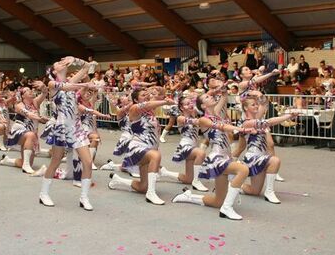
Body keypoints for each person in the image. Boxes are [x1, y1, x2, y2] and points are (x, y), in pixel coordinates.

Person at [171, 89, 255, 220]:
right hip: (217, 157)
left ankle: (189, 197)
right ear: (203, 106)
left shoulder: (216, 114)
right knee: (243, 170)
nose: (211, 97)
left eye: (210, 96)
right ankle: (227, 208)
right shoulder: (204, 120)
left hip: (226, 156)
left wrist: (223, 91)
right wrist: (241, 129)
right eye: (207, 97)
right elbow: (222, 127)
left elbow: (223, 98)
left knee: (217, 201)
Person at [39, 57, 96, 211]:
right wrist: (85, 84)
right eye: (57, 63)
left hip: (76, 127)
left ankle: (84, 197)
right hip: (62, 127)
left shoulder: (72, 80)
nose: (61, 63)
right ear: (54, 71)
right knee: (56, 161)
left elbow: (87, 67)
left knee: (88, 162)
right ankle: (44, 193)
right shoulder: (52, 84)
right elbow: (66, 87)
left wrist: (75, 59)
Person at [107, 86, 174, 205]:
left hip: (149, 148)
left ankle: (119, 181)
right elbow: (148, 104)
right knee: (155, 156)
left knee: (142, 187)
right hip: (137, 147)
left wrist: (159, 90)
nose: (147, 96)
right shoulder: (134, 108)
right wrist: (164, 101)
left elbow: (160, 95)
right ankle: (151, 193)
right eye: (143, 95)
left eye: (147, 94)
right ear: (136, 100)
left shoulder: (150, 111)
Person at [236, 96, 297, 204]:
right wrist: (287, 116)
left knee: (254, 191)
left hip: (261, 156)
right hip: (253, 157)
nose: (256, 106)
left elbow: (267, 123)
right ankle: (269, 192)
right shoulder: (246, 123)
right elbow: (269, 122)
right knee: (275, 160)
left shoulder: (258, 121)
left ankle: (233, 185)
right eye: (253, 105)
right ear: (245, 108)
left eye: (256, 104)